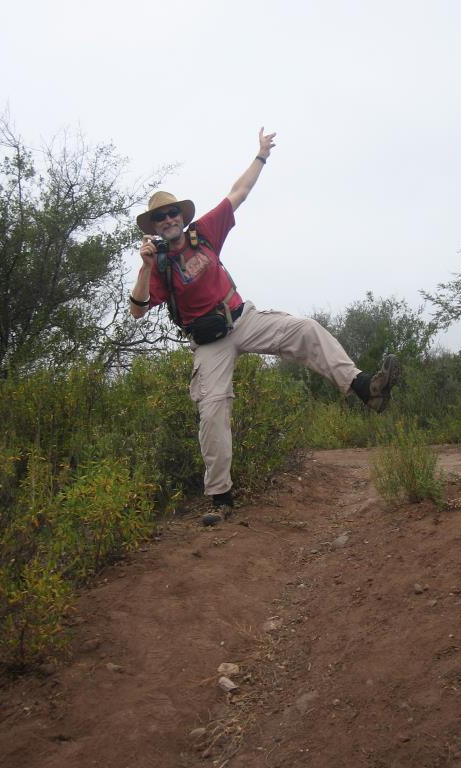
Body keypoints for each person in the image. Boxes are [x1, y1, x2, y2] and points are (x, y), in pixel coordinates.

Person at [130, 128, 400, 524]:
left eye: (173, 213)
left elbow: (238, 192)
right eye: (161, 216)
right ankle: (220, 499)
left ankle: (365, 389)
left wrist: (261, 155)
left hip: (243, 319)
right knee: (212, 413)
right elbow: (137, 310)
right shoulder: (160, 266)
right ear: (153, 225)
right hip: (209, 345)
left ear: (181, 216)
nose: (169, 219)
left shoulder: (203, 233)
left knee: (305, 329)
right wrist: (145, 265)